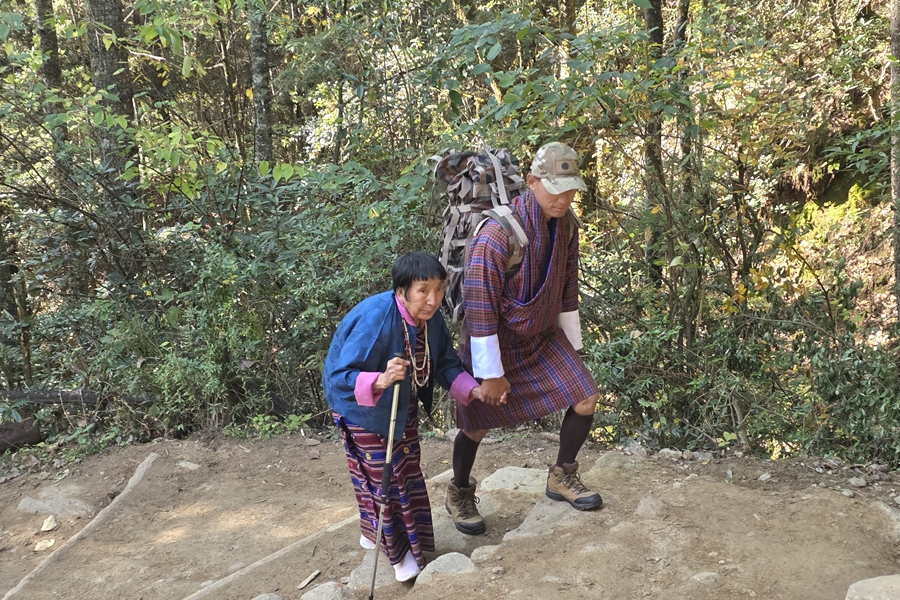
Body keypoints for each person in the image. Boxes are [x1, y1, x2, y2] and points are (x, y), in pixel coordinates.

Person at [446, 141, 603, 536]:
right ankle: (459, 492)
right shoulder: (497, 235)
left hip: (542, 334)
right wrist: (491, 374)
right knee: (476, 423)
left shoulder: (566, 226)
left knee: (585, 396)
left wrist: (575, 348)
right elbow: (479, 305)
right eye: (555, 190)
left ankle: (562, 475)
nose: (563, 199)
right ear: (532, 182)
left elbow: (567, 288)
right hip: (493, 340)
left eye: (570, 191)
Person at [322, 251, 482, 581]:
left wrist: (474, 391)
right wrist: (380, 379)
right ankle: (400, 556)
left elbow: (446, 363)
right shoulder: (376, 319)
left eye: (439, 289)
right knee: (384, 477)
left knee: (406, 469)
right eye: (423, 290)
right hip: (359, 407)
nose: (433, 299)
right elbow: (340, 375)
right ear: (401, 291)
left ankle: (374, 533)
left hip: (401, 402)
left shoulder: (430, 318)